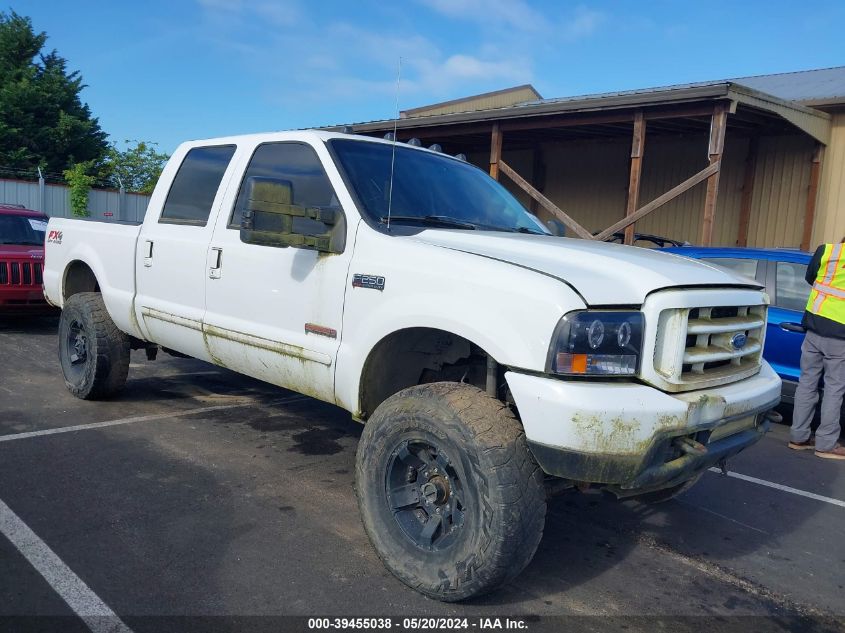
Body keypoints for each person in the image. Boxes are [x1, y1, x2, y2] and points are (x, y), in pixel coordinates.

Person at [789, 239, 845, 459]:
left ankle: (798, 437)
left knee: (807, 382)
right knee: (834, 388)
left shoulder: (826, 251)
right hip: (840, 334)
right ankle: (826, 444)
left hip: (813, 326)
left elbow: (809, 278)